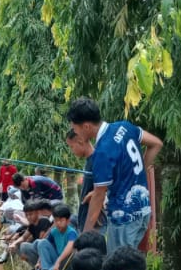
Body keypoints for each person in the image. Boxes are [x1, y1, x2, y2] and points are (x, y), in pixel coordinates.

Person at [66, 97, 162, 249]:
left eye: (75, 128)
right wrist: (138, 173)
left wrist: (85, 234)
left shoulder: (102, 152)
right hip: (143, 212)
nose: (74, 131)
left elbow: (99, 196)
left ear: (86, 126)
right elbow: (156, 144)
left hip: (123, 218)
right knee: (130, 266)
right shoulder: (124, 127)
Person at [36, 203, 78, 270]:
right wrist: (39, 261)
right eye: (56, 220)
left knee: (68, 255)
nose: (58, 223)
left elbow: (69, 248)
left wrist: (58, 262)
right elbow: (45, 245)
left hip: (67, 263)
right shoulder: (53, 231)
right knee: (42, 242)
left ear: (68, 221)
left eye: (61, 220)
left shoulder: (71, 232)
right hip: (57, 260)